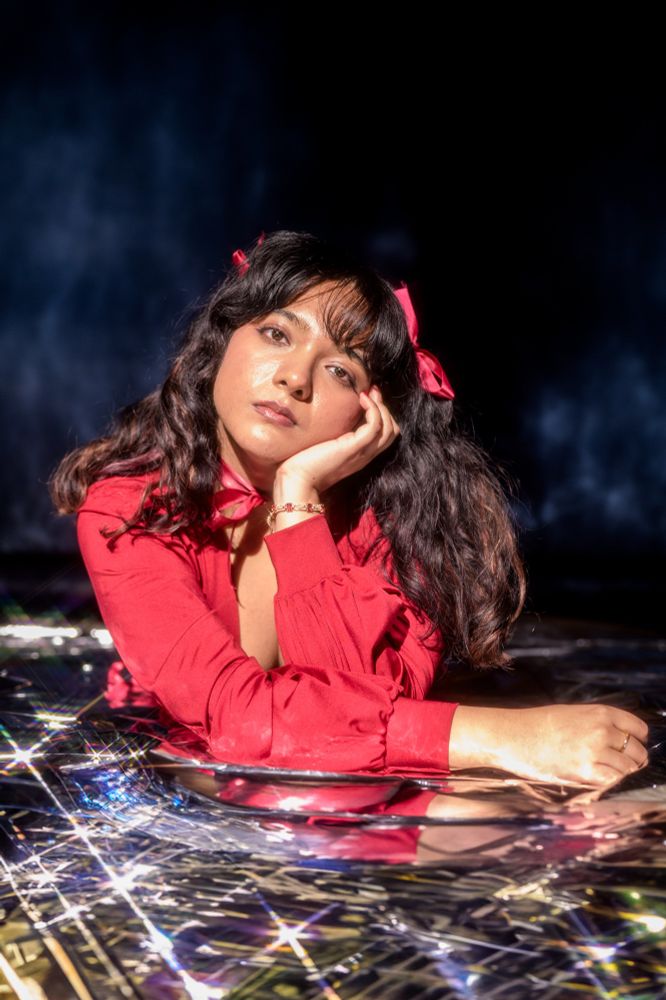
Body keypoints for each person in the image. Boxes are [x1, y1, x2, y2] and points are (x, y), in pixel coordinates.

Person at [49, 229, 649, 798]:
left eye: (340, 369)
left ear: (370, 411)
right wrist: (500, 735)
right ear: (222, 342)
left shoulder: (399, 521)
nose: (295, 378)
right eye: (277, 334)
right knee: (480, 814)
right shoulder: (129, 510)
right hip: (196, 789)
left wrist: (297, 502)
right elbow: (235, 718)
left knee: (603, 816)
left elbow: (367, 713)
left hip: (352, 793)